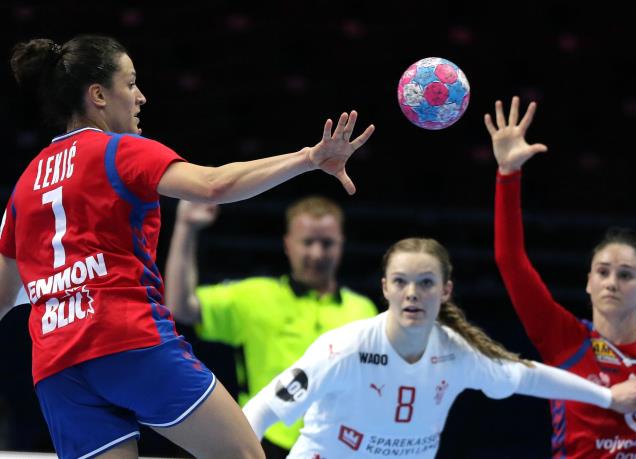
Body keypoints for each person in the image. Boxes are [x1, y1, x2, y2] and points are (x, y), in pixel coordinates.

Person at [0, 35, 374, 459]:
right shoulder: (120, 151)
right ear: (98, 95)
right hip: (127, 341)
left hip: (56, 367)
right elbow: (212, 185)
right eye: (130, 83)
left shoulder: (25, 185)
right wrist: (308, 159)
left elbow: (4, 295)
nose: (141, 97)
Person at [242, 237, 636, 459]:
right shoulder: (344, 349)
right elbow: (261, 409)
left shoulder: (456, 352)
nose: (412, 293)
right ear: (385, 288)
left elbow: (526, 375)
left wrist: (608, 397)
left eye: (426, 283)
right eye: (401, 282)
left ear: (445, 291)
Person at [487, 96, 636, 458]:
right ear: (588, 283)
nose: (612, 282)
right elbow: (510, 261)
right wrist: (508, 174)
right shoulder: (564, 338)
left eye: (625, 275)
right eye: (603, 272)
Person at [164, 195, 378, 457]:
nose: (317, 253)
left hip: (339, 446)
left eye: (327, 243)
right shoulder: (255, 297)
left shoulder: (364, 310)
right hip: (265, 442)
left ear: (341, 244)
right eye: (308, 242)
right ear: (288, 244)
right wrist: (186, 226)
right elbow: (181, 306)